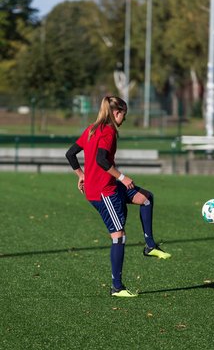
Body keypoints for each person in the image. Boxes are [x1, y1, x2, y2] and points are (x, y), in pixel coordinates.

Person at [65, 96, 171, 298]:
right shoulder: (109, 131)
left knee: (146, 198)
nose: (125, 119)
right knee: (119, 237)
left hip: (109, 185)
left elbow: (70, 154)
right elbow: (102, 160)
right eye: (124, 115)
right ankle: (117, 287)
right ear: (116, 113)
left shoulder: (92, 129)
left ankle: (149, 245)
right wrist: (122, 177)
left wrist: (81, 175)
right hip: (103, 192)